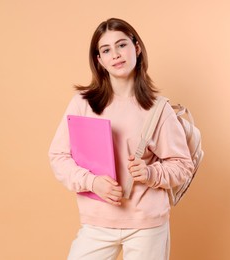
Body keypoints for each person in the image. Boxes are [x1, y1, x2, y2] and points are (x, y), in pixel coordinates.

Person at [49, 17, 194, 260]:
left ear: (136, 48)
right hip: (97, 223)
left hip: (147, 226)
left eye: (121, 45)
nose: (115, 54)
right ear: (100, 60)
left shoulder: (158, 110)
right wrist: (92, 183)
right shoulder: (83, 104)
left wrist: (150, 173)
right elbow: (58, 157)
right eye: (106, 50)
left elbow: (183, 165)